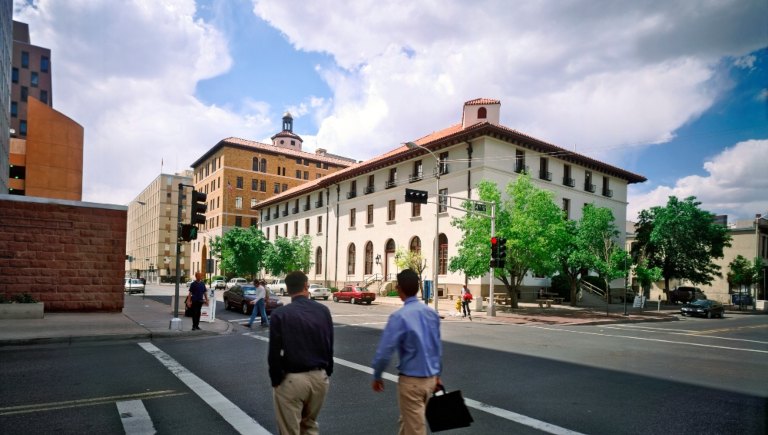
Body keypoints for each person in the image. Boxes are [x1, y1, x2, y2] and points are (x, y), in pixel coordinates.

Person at [371, 269, 442, 435]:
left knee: (415, 429)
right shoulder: (432, 314)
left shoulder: (400, 316)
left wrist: (377, 375)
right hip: (430, 380)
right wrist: (437, 375)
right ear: (418, 288)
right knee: (408, 422)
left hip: (411, 383)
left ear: (399, 288)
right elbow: (436, 348)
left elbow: (385, 350)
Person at [268, 271, 334, 435]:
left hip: (292, 379)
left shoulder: (280, 314)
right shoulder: (323, 311)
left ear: (288, 289)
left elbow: (274, 352)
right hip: (319, 378)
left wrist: (276, 379)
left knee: (290, 430)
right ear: (306, 286)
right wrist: (327, 371)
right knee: (310, 426)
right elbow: (329, 343)